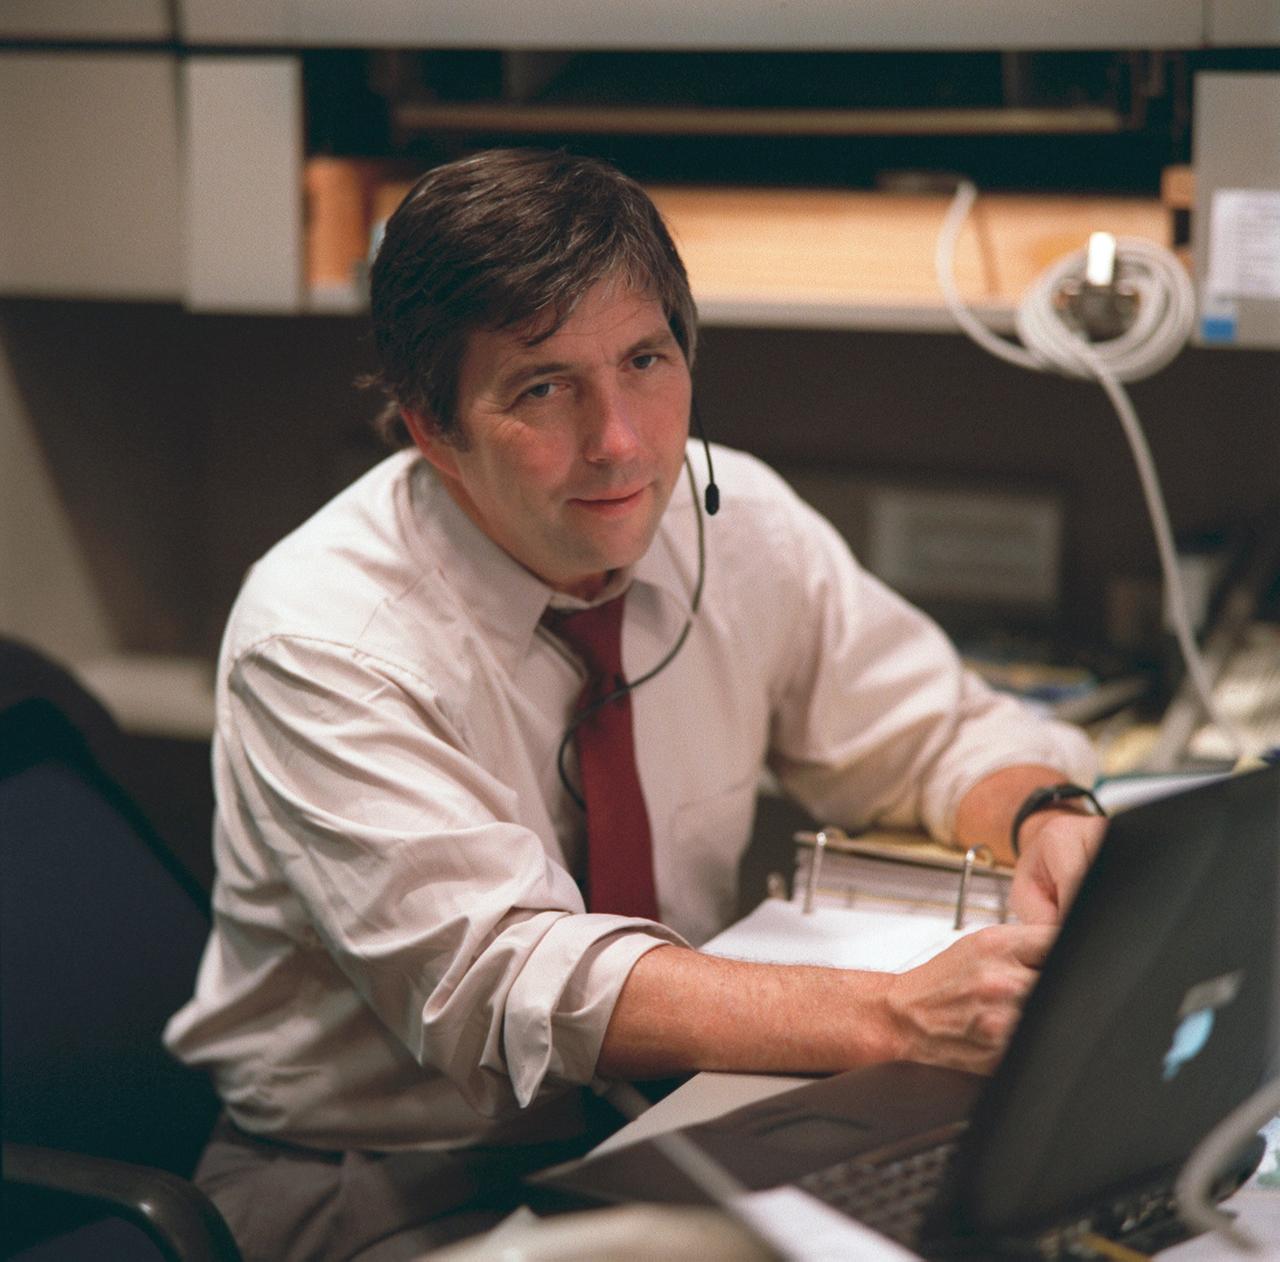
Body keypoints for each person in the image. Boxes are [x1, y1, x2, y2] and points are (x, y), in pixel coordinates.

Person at [165, 148, 1104, 1260]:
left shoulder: (736, 522)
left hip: (671, 1119)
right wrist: (893, 1016)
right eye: (542, 387)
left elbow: (931, 734)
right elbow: (510, 978)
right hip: (377, 1178)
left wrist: (1044, 811)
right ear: (432, 429)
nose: (619, 441)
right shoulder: (323, 635)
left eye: (644, 361)